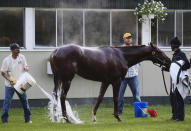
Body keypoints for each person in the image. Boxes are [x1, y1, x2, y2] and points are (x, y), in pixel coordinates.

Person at [1, 43, 32, 123]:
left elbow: (26, 66)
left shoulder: (22, 57)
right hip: (10, 85)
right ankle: (4, 120)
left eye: (19, 49)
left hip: (21, 84)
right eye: (16, 50)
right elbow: (3, 72)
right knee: (7, 102)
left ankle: (28, 119)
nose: (18, 51)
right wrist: (10, 79)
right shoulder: (7, 60)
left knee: (25, 101)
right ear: (12, 50)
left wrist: (26, 68)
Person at [118, 33, 141, 114]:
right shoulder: (120, 49)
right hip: (122, 77)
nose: (128, 39)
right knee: (119, 96)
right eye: (127, 38)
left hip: (133, 76)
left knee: (136, 96)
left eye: (130, 38)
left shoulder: (135, 49)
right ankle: (118, 112)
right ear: (124, 39)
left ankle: (139, 112)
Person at [168, 37, 190, 121]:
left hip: (179, 80)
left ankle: (180, 117)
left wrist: (180, 67)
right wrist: (166, 68)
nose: (170, 46)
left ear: (174, 45)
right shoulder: (175, 54)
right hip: (174, 80)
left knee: (179, 98)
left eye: (171, 44)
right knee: (173, 98)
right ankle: (175, 115)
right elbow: (173, 68)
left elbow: (187, 65)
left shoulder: (181, 54)